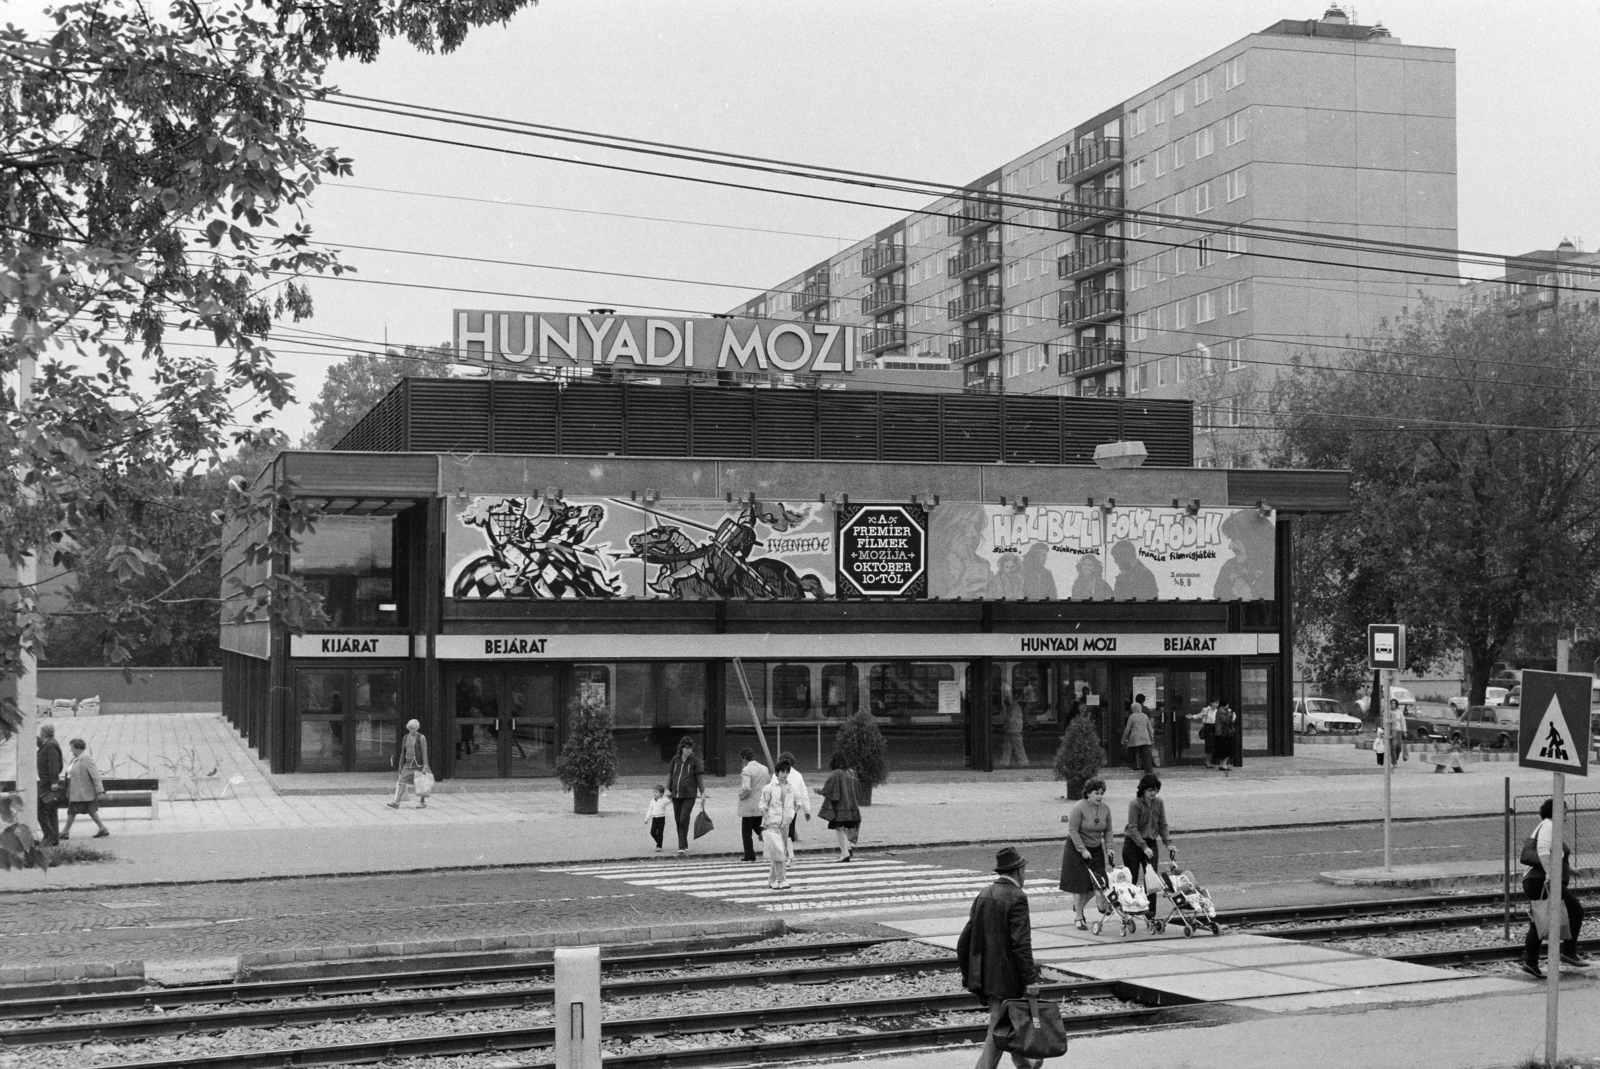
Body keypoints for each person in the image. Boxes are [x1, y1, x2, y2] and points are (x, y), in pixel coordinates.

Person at [956, 846, 1044, 1069]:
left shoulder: (984, 894)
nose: (1025, 875)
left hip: (986, 976)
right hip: (1006, 978)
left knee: (1006, 1022)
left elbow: (964, 941)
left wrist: (970, 976)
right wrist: (1031, 979)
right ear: (1017, 871)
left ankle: (1026, 1064)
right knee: (997, 1028)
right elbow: (1021, 944)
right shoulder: (1017, 897)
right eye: (1024, 870)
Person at [1522, 798, 1588, 978]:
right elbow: (1543, 850)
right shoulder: (1549, 826)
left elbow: (1554, 854)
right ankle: (1568, 951)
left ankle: (1531, 963)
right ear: (1557, 812)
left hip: (1536, 880)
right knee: (1575, 911)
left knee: (1540, 920)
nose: (1567, 815)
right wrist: (1550, 873)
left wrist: (1569, 869)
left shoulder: (1548, 826)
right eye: (1565, 811)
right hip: (1540, 880)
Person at [1059, 776, 1112, 930]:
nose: (1100, 796)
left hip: (1095, 849)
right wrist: (1082, 850)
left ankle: (1079, 906)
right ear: (1088, 793)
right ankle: (1079, 917)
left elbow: (1108, 829)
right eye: (1096, 793)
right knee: (1080, 885)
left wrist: (1109, 847)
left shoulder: (1105, 809)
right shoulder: (1078, 808)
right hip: (1077, 848)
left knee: (1098, 884)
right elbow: (1073, 830)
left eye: (1102, 793)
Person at [1123, 773, 1174, 918]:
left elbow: (1162, 824)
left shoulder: (1159, 803)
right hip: (1133, 844)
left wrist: (1167, 843)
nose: (1153, 793)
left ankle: (1151, 915)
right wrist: (1144, 847)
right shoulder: (1135, 804)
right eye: (1150, 790)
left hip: (1151, 842)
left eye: (1155, 790)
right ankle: (1129, 913)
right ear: (1143, 790)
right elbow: (1132, 828)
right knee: (1131, 879)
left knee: (1151, 881)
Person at [59, 738, 109, 840]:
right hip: (77, 792)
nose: (71, 750)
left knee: (72, 811)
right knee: (90, 810)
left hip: (83, 792)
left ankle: (65, 832)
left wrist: (100, 789)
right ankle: (102, 828)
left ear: (78, 748)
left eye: (72, 748)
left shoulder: (86, 758)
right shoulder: (75, 759)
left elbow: (95, 775)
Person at [760, 754, 797, 890]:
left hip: (785, 824)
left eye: (787, 772)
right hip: (773, 823)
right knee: (778, 852)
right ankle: (781, 879)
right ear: (777, 773)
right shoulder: (769, 788)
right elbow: (763, 805)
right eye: (782, 772)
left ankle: (772, 880)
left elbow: (795, 803)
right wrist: (767, 819)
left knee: (780, 853)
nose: (785, 774)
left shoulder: (790, 788)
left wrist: (791, 815)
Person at [817, 751, 861, 862]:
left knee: (839, 828)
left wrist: (819, 791)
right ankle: (848, 848)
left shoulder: (836, 773)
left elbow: (828, 789)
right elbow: (858, 789)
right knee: (845, 828)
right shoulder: (851, 773)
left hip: (840, 807)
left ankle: (845, 853)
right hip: (851, 806)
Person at [666, 735, 705, 856]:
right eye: (686, 748)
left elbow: (699, 778)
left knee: (684, 818)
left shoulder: (694, 761)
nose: (689, 750)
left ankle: (681, 845)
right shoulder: (675, 760)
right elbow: (671, 774)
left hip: (689, 795)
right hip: (676, 794)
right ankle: (684, 842)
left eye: (690, 748)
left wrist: (702, 793)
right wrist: (667, 788)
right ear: (681, 748)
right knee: (678, 819)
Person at [736, 747, 770, 863]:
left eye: (742, 759)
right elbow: (768, 784)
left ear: (744, 758)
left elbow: (746, 788)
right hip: (760, 804)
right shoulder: (764, 769)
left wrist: (740, 795)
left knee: (746, 831)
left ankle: (749, 855)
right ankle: (767, 836)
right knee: (756, 826)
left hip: (748, 805)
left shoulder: (746, 770)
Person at [388, 719, 430, 809]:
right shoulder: (405, 737)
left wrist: (425, 766)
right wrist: (401, 764)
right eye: (410, 728)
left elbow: (424, 752)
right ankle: (396, 802)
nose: (412, 730)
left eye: (414, 728)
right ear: (408, 728)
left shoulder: (421, 737)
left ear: (417, 728)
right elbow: (403, 751)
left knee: (421, 783)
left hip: (419, 764)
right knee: (401, 781)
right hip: (408, 764)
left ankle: (422, 802)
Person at [779, 749, 812, 862]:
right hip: (794, 808)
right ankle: (790, 854)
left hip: (781, 807)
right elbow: (803, 793)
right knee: (789, 831)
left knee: (782, 832)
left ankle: (788, 855)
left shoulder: (778, 774)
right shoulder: (798, 775)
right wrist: (807, 810)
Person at [36, 723, 64, 847]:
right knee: (51, 810)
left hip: (47, 783)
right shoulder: (49, 743)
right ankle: (53, 837)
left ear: (44, 733)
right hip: (47, 782)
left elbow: (54, 764)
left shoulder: (51, 745)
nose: (40, 734)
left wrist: (54, 782)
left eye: (41, 732)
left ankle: (50, 836)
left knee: (40, 809)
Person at [1121, 695, 1154, 774]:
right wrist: (1152, 738)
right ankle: (1149, 771)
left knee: (1131, 752)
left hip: (1135, 738)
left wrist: (1123, 739)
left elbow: (1127, 729)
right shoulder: (1145, 716)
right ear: (1140, 709)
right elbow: (1150, 728)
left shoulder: (1132, 716)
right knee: (1146, 755)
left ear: (1133, 709)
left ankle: (1134, 766)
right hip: (1145, 738)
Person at [998, 690, 1029, 768]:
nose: (1005, 701)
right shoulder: (1013, 707)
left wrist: (1005, 726)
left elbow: (1011, 720)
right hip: (1012, 730)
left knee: (1016, 747)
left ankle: (1024, 762)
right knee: (1008, 747)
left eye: (1006, 699)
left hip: (1014, 730)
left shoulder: (1014, 707)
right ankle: (1005, 762)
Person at [1211, 702, 1237, 775]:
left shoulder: (1221, 710)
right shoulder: (1222, 711)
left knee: (1223, 750)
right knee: (1226, 749)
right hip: (1223, 733)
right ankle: (1224, 765)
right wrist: (1231, 714)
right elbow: (1225, 720)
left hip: (1222, 733)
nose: (1228, 706)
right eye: (1228, 704)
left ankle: (1222, 765)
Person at [645, 784, 671, 852]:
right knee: (652, 832)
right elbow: (650, 809)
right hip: (654, 818)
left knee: (660, 832)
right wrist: (647, 818)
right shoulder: (652, 801)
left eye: (656, 792)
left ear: (661, 793)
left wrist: (670, 795)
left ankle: (659, 846)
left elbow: (670, 800)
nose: (654, 794)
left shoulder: (664, 800)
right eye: (654, 792)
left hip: (661, 818)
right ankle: (659, 841)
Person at [1199, 700, 1219, 766]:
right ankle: (1207, 762)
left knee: (1213, 745)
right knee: (1209, 745)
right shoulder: (1206, 710)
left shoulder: (1217, 711)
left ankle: (1209, 761)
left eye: (1218, 703)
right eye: (1216, 702)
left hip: (1215, 728)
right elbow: (1199, 715)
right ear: (1211, 703)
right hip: (1208, 727)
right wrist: (1192, 716)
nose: (1217, 704)